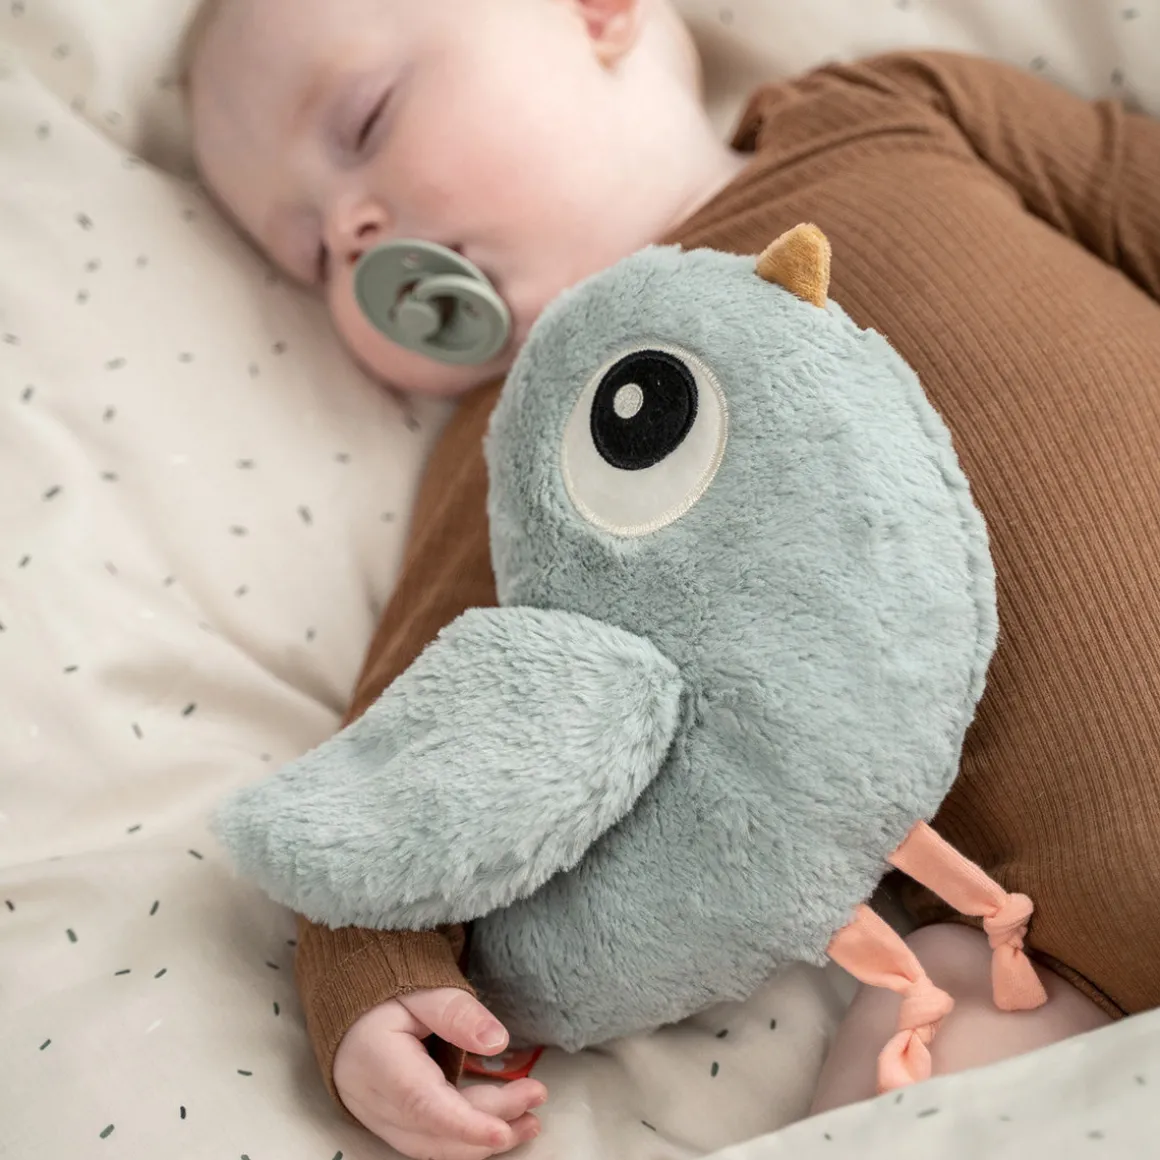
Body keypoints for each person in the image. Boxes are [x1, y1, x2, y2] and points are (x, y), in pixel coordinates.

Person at [184, 1, 1160, 1156]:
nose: (351, 234)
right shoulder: (520, 450)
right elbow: (421, 751)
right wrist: (374, 976)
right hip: (1050, 947)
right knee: (921, 1037)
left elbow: (1125, 188)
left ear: (595, 14)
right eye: (310, 253)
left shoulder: (883, 111)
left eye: (365, 120)